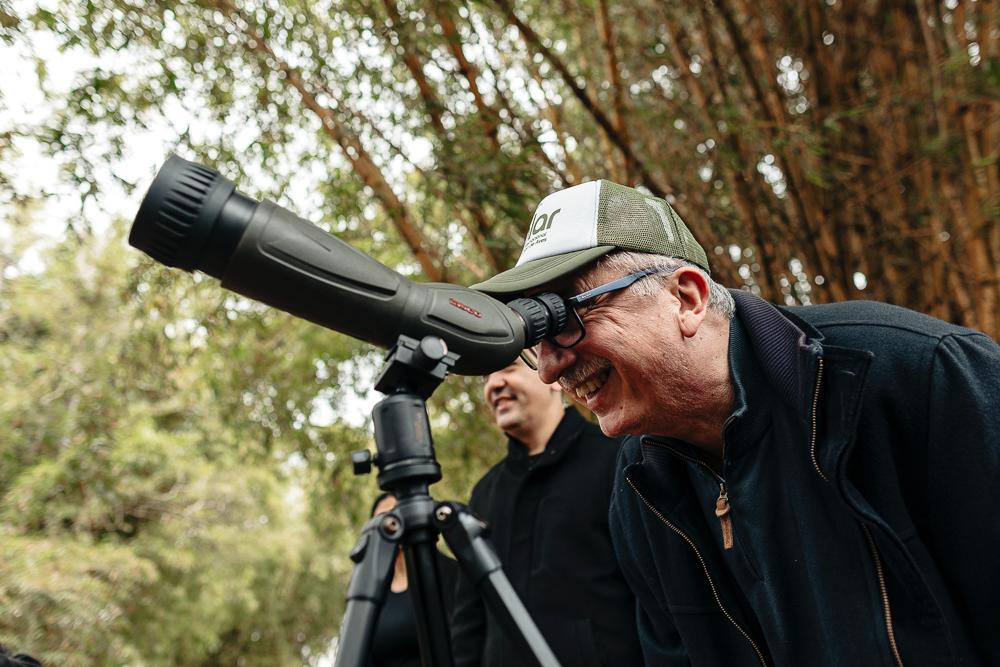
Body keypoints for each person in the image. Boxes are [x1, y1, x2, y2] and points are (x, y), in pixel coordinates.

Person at [469, 179, 1000, 666]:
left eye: (563, 320)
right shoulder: (639, 484)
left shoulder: (913, 374)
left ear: (686, 297)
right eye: (532, 343)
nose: (550, 368)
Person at [449, 358, 642, 667]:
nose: (494, 385)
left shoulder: (619, 461)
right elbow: (468, 620)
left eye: (509, 368)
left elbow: (654, 598)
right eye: (487, 376)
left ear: (553, 377)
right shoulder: (484, 493)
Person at [368, 492, 457, 667]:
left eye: (396, 516)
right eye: (383, 520)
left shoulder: (453, 575)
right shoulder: (372, 593)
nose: (392, 526)